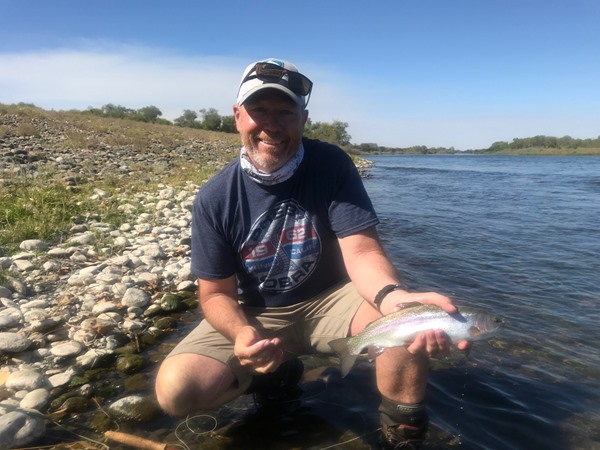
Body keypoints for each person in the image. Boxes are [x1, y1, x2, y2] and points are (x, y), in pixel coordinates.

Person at [155, 58, 469, 449]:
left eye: (285, 112)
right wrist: (241, 335)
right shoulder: (215, 198)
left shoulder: (331, 164)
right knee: (176, 391)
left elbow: (362, 251)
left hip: (333, 301)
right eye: (259, 111)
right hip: (259, 313)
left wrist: (394, 297)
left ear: (303, 119)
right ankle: (271, 374)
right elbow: (215, 293)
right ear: (237, 117)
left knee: (403, 323)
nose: (272, 124)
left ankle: (403, 427)